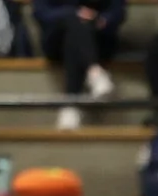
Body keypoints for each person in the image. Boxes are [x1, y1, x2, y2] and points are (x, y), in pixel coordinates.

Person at [34, 0, 122, 130]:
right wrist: (74, 14)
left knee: (76, 33)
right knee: (74, 22)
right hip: (56, 36)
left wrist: (102, 19)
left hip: (98, 36)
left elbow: (117, 11)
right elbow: (41, 12)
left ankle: (70, 105)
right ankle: (94, 72)